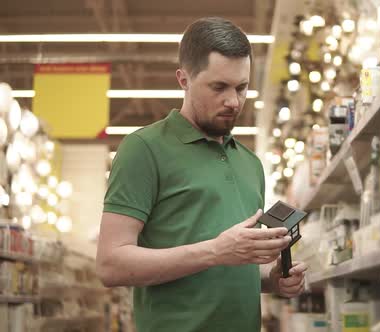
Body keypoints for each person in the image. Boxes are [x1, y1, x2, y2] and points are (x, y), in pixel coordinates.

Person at [96, 17, 307, 332]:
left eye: (242, 87)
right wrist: (215, 251)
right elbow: (110, 265)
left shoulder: (250, 164)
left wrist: (270, 280)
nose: (233, 101)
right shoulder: (143, 149)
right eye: (219, 87)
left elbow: (226, 270)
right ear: (184, 79)